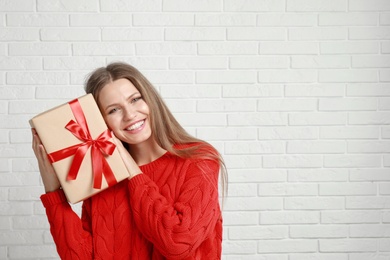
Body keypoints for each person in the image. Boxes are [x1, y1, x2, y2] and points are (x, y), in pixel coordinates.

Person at [31, 62, 227, 259]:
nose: (130, 115)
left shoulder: (199, 159)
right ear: (101, 121)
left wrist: (133, 173)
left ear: (150, 99)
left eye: (135, 99)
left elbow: (177, 243)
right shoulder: (104, 177)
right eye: (113, 110)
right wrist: (53, 193)